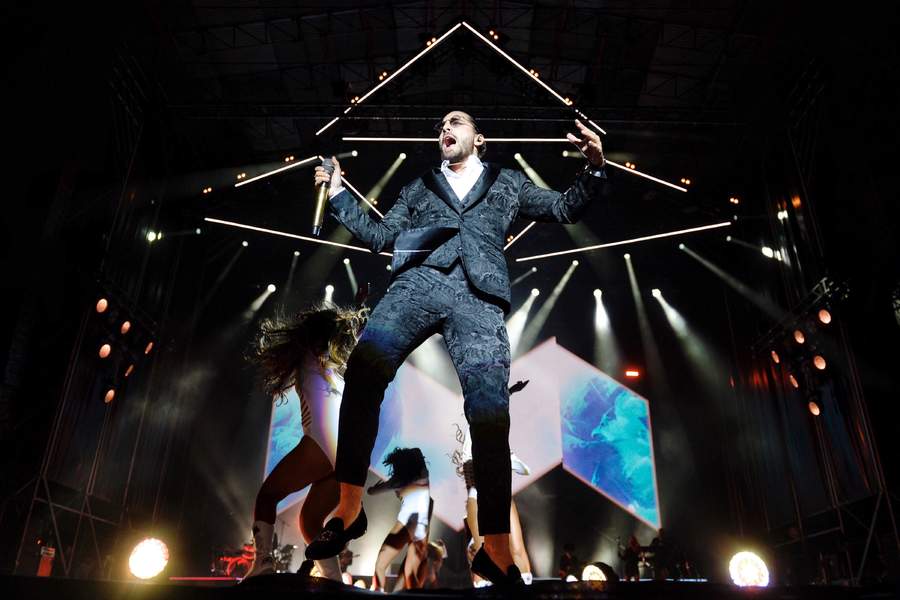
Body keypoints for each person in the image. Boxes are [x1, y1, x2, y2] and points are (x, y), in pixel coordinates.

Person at [306, 110, 607, 586]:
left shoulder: (508, 182)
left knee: (490, 416)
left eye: (456, 121)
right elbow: (382, 237)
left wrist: (593, 167)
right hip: (415, 288)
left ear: (479, 138)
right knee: (364, 369)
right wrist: (340, 192)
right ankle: (348, 508)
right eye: (441, 126)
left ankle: (496, 550)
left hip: (478, 298)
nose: (445, 128)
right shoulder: (420, 186)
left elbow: (565, 208)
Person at [245, 304, 368, 580]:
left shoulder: (311, 356)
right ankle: (333, 579)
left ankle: (262, 562)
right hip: (344, 456)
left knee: (267, 496)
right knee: (310, 521)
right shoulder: (334, 366)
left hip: (321, 444)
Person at [454, 380, 534, 585]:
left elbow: (524, 470)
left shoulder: (499, 441)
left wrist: (509, 391)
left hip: (499, 493)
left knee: (518, 553)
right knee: (488, 555)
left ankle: (522, 590)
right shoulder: (473, 440)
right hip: (479, 495)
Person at [366, 447, 433, 592]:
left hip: (407, 523)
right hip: (422, 529)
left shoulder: (397, 481)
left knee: (380, 565)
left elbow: (371, 492)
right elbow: (417, 451)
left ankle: (377, 594)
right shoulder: (423, 474)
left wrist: (378, 486)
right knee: (410, 575)